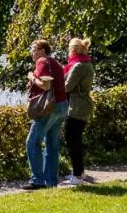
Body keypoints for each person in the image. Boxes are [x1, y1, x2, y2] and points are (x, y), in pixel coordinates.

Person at [22, 39, 68, 190]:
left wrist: (31, 77)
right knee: (52, 144)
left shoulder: (42, 61)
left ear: (42, 50)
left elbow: (45, 85)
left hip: (50, 108)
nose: (32, 52)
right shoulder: (55, 62)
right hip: (62, 105)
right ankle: (51, 181)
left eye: (34, 49)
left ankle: (38, 181)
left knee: (32, 142)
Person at [61, 38, 95, 187]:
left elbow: (67, 87)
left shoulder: (78, 66)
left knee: (71, 138)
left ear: (73, 51)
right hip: (83, 104)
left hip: (77, 106)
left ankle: (77, 175)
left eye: (69, 50)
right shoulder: (86, 64)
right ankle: (79, 171)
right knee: (76, 139)